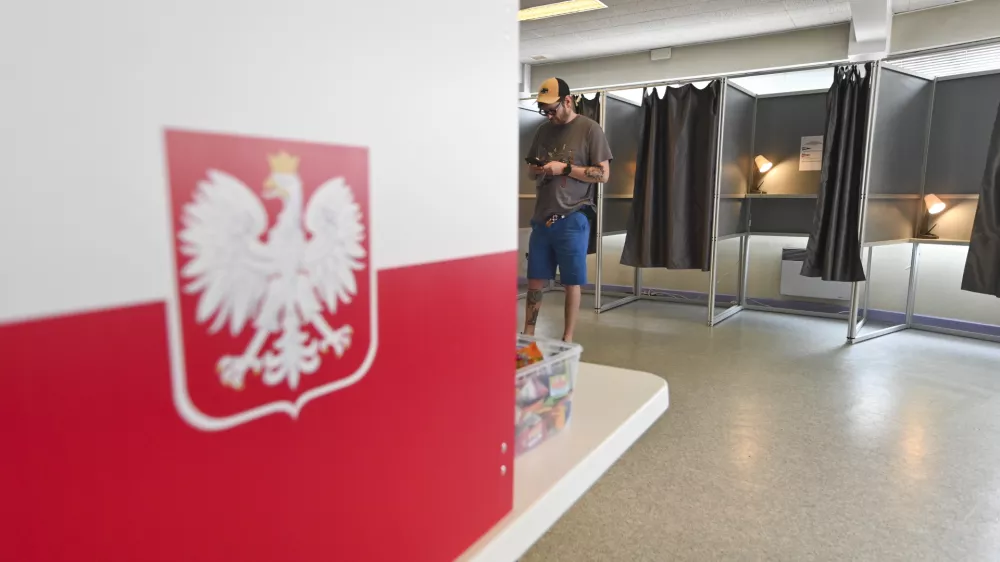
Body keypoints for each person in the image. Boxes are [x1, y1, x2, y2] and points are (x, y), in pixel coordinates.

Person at [523, 77, 612, 343]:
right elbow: (530, 173)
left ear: (568, 101)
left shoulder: (589, 129)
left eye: (552, 110)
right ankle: (528, 334)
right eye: (544, 111)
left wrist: (565, 169)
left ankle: (567, 338)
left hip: (573, 216)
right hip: (543, 217)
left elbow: (603, 174)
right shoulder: (542, 131)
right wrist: (537, 168)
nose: (549, 116)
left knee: (571, 281)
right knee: (535, 278)